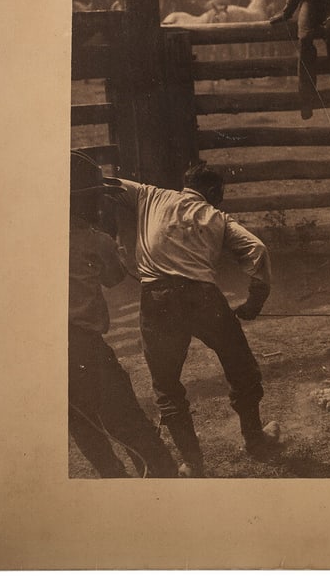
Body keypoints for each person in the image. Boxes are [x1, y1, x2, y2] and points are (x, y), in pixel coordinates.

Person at [111, 161, 279, 478]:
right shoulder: (218, 218)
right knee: (241, 367)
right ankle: (255, 440)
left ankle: (193, 463)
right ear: (212, 190)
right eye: (221, 193)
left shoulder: (149, 195)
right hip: (203, 299)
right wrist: (253, 303)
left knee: (166, 385)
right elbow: (257, 248)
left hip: (157, 301)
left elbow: (106, 184)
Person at [68, 151, 180, 478]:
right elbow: (114, 278)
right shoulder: (95, 241)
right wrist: (111, 245)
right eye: (92, 198)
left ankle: (115, 482)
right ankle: (165, 479)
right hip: (84, 346)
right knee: (126, 418)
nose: (98, 204)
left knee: (82, 422)